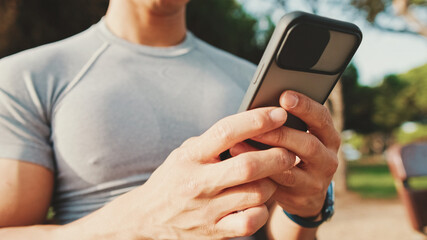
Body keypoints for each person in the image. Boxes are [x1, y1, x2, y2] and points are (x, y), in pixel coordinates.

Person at [0, 0, 340, 239]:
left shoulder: (251, 80)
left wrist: (305, 211)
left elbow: (273, 232)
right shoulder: (25, 77)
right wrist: (141, 222)